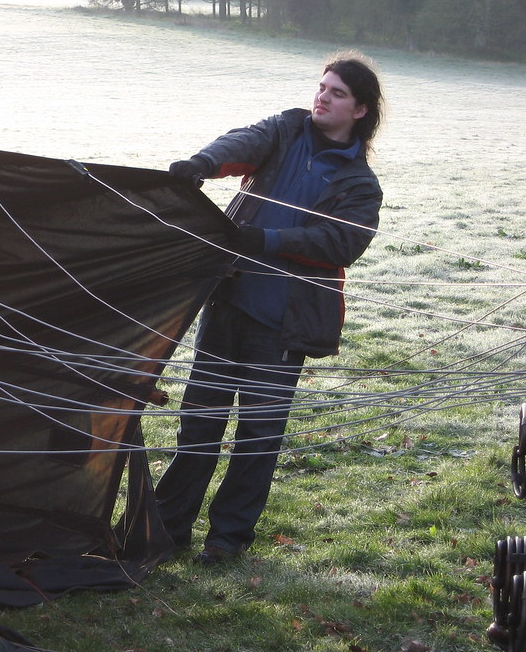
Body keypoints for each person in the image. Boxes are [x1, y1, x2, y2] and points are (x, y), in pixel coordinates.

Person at [155, 51, 384, 565]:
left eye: (337, 93)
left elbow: (338, 243)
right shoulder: (287, 129)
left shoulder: (360, 185)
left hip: (284, 324)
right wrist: (203, 164)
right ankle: (168, 530)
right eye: (322, 87)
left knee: (257, 436)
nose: (322, 97)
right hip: (229, 302)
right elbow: (243, 143)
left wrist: (263, 238)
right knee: (199, 424)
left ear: (360, 111)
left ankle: (227, 541)